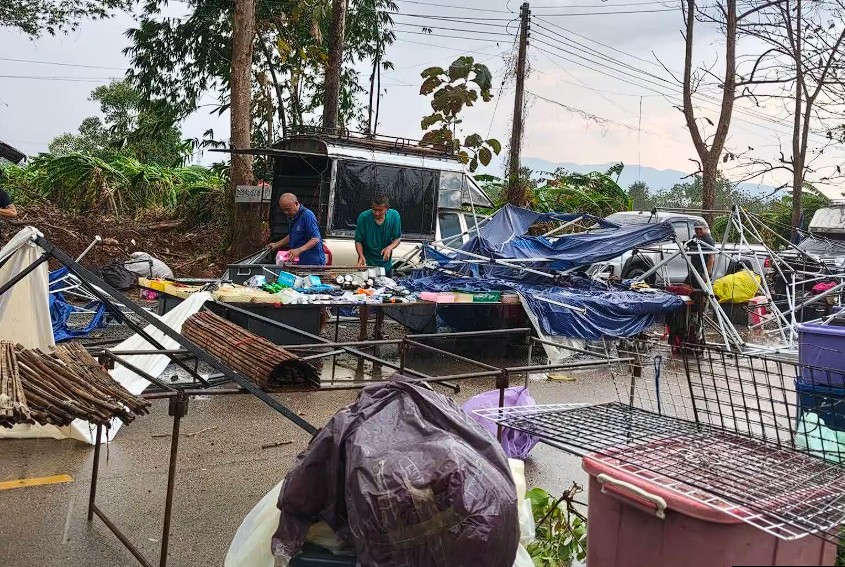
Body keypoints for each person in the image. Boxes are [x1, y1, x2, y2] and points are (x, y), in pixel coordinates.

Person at [267, 193, 326, 266]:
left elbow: (315, 239)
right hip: (299, 262)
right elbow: (293, 235)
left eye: (288, 209)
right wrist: (277, 244)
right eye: (283, 210)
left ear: (296, 203)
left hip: (312, 263)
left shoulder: (307, 215)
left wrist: (298, 250)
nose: (286, 212)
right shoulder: (293, 217)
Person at [354, 195, 401, 271]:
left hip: (385, 265)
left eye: (380, 210)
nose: (376, 213)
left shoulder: (394, 216)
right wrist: (361, 255)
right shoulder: (363, 217)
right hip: (367, 264)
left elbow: (397, 239)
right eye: (374, 210)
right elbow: (358, 240)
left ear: (387, 208)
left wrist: (389, 248)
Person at [686, 220, 716, 286]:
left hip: (703, 269)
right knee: (686, 285)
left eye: (700, 229)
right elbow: (690, 249)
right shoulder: (695, 237)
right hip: (694, 268)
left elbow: (711, 257)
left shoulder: (708, 239)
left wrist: (707, 273)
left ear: (705, 229)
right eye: (696, 229)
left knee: (700, 289)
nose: (698, 231)